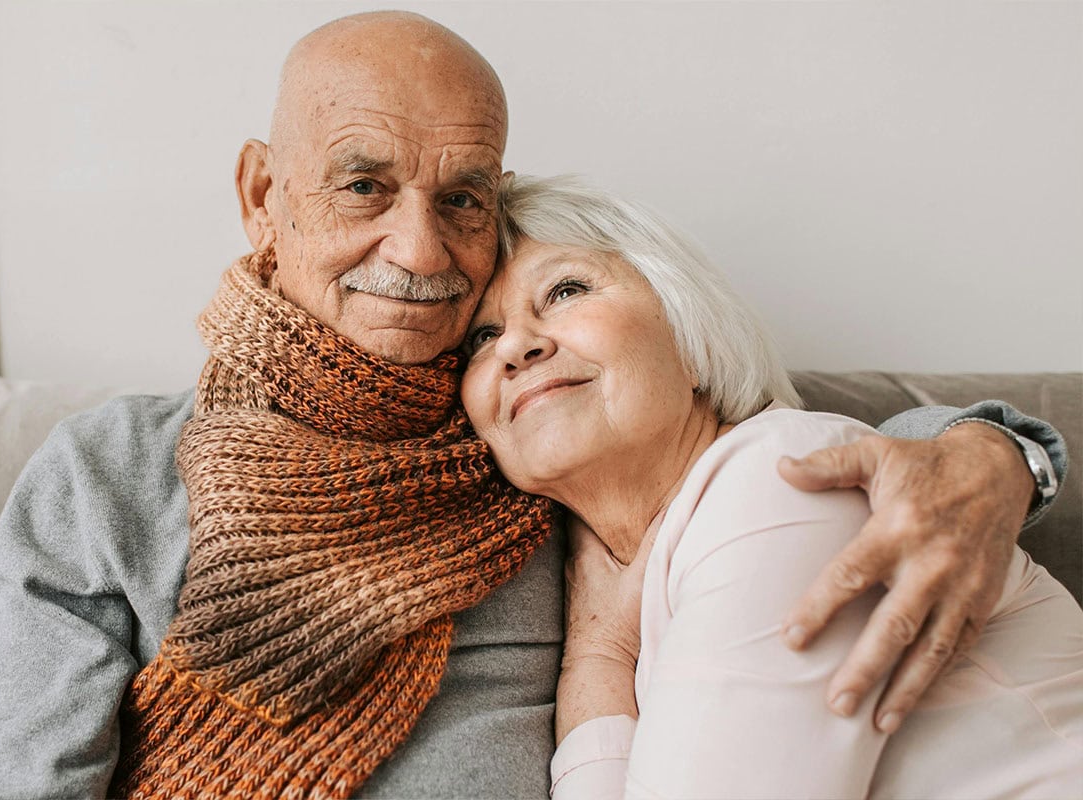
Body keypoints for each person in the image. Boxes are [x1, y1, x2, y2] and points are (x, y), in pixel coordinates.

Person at [0, 12, 1067, 800]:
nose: (419, 249)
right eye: (364, 186)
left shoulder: (532, 439)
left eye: (462, 199)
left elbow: (788, 457)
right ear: (264, 194)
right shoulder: (109, 472)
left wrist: (990, 452)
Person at [459, 174, 1081, 798]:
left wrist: (598, 661)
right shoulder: (636, 578)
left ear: (690, 337)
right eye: (482, 338)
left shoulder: (785, 476)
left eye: (566, 290)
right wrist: (600, 655)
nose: (515, 345)